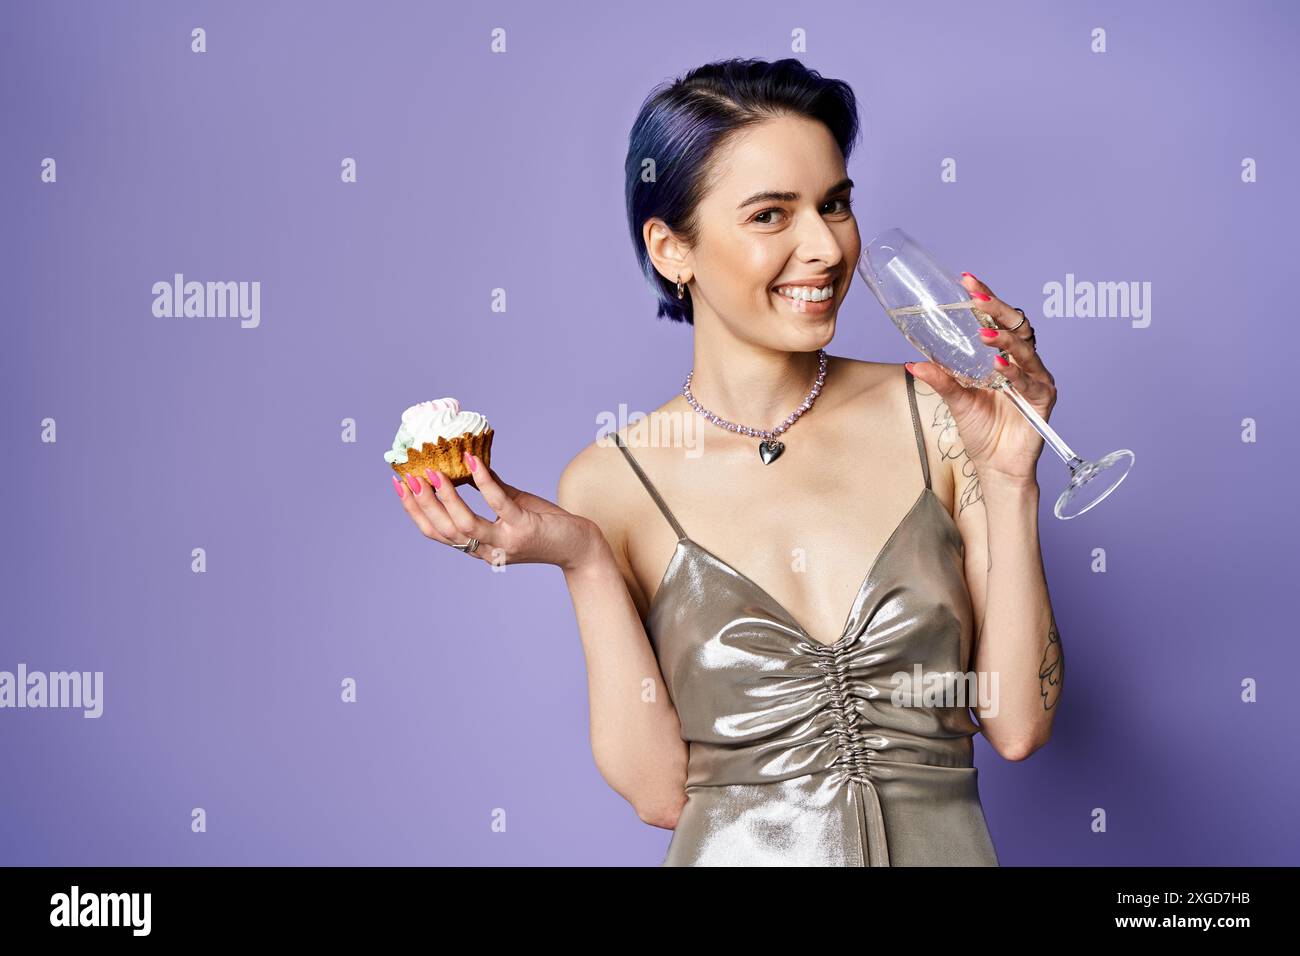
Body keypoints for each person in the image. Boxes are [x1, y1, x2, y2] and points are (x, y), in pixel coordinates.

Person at [393, 57, 1062, 866]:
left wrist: (1010, 475)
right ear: (673, 249)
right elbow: (660, 795)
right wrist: (585, 559)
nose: (824, 248)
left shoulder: (942, 416)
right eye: (771, 215)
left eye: (835, 204)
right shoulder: (611, 481)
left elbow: (1019, 725)